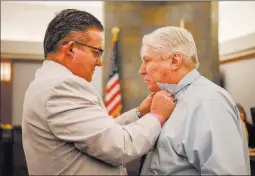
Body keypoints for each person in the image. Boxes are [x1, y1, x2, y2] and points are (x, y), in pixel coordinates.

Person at [22, 9, 175, 175]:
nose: (99, 63)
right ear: (71, 49)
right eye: (96, 52)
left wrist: (139, 113)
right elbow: (120, 147)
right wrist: (157, 116)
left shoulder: (49, 82)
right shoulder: (62, 87)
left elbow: (96, 135)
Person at [138, 26, 250, 175]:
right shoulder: (167, 99)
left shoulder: (208, 102)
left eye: (147, 61)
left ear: (175, 61)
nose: (141, 70)